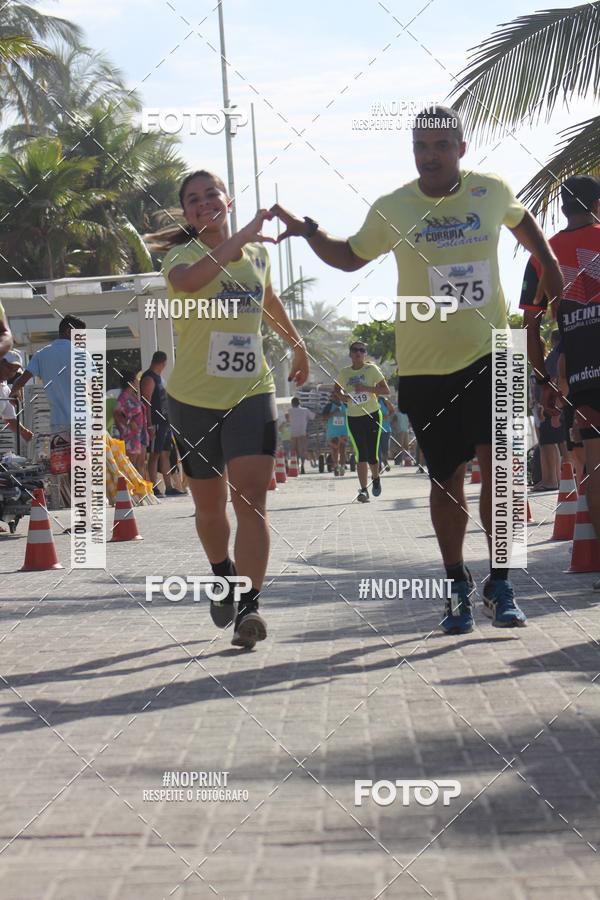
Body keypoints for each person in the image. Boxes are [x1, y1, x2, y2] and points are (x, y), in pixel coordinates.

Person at [272, 104, 564, 633]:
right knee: (446, 478)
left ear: (461, 149)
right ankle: (456, 582)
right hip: (427, 369)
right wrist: (308, 229)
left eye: (440, 145)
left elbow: (527, 227)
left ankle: (502, 581)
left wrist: (551, 269)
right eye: (421, 146)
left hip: (491, 355)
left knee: (499, 468)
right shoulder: (394, 208)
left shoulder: (490, 189)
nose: (430, 155)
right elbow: (348, 257)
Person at [147, 169, 309, 648]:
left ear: (228, 198)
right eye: (193, 199)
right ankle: (222, 573)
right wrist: (238, 236)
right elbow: (195, 280)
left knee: (251, 501)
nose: (203, 203)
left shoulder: (257, 255)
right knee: (210, 506)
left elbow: (269, 301)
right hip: (193, 400)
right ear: (187, 212)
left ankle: (250, 609)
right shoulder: (180, 256)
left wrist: (297, 345)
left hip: (250, 394)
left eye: (211, 194)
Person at [520, 174, 600, 587]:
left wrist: (543, 380)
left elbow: (529, 322)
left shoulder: (541, 254)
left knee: (594, 467)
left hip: (583, 375)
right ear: (596, 203)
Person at [10, 315, 87, 508]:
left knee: (63, 471)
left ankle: (70, 509)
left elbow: (19, 383)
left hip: (58, 424)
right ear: (70, 332)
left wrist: (15, 393)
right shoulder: (82, 354)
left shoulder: (42, 355)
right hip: (81, 422)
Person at [333, 341, 390, 502]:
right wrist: (344, 398)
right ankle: (364, 490)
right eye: (355, 350)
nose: (358, 352)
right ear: (350, 353)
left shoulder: (371, 370)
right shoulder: (345, 373)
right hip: (354, 417)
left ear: (364, 354)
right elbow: (336, 389)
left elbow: (386, 390)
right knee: (361, 453)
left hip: (372, 415)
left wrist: (366, 388)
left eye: (361, 350)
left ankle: (376, 478)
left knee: (372, 454)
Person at [140, 351, 184, 497]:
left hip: (165, 422)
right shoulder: (149, 377)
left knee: (165, 453)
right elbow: (146, 402)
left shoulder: (159, 378)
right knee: (154, 455)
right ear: (163, 362)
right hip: (156, 422)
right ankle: (154, 488)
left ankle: (169, 487)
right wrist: (150, 424)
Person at [113, 370, 147, 473]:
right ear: (130, 383)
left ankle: (140, 487)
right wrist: (128, 422)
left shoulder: (133, 396)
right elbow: (116, 412)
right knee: (130, 466)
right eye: (136, 381)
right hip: (130, 436)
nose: (137, 383)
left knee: (140, 464)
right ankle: (131, 488)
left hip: (139, 434)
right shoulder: (123, 397)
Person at [0, 350, 33, 445]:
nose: (11, 373)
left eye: (15, 370)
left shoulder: (5, 389)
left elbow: (9, 418)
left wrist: (24, 432)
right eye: (9, 367)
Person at [322, 394, 348, 475]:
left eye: (338, 396)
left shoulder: (346, 406)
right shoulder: (329, 406)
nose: (337, 397)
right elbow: (324, 417)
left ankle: (342, 467)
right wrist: (333, 413)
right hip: (333, 432)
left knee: (343, 450)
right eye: (335, 396)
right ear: (332, 397)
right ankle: (336, 466)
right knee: (335, 450)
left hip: (343, 432)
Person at [289, 396, 314, 474]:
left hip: (293, 433)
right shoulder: (305, 410)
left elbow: (287, 419)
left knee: (294, 451)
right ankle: (302, 465)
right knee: (302, 450)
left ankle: (296, 466)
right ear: (299, 403)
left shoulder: (289, 411)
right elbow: (313, 417)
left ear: (292, 404)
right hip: (302, 433)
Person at [378, 395, 395, 470]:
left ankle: (385, 461)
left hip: (385, 429)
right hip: (375, 429)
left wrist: (387, 415)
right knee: (377, 448)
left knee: (385, 448)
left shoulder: (384, 400)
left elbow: (392, 410)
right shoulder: (370, 400)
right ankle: (379, 466)